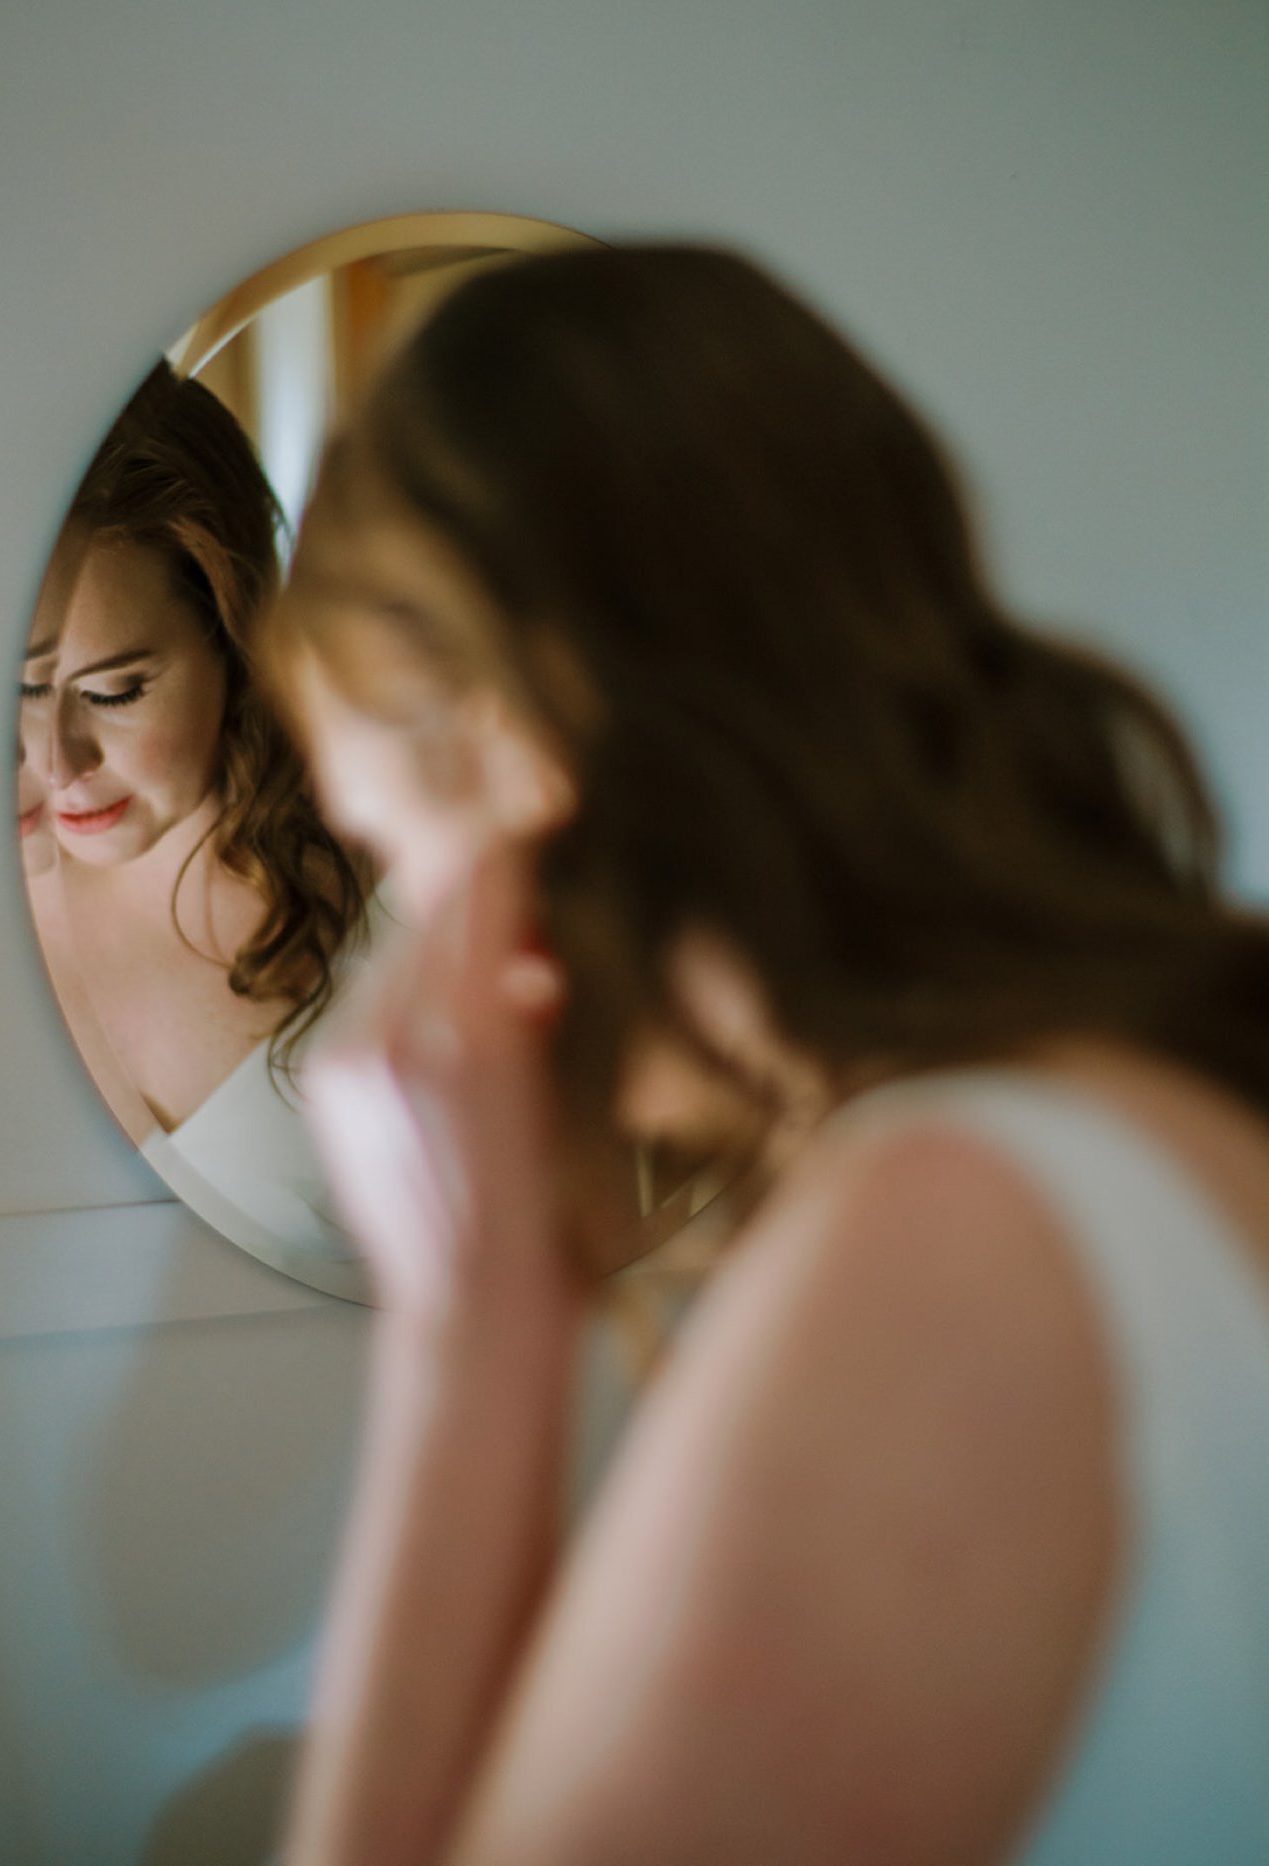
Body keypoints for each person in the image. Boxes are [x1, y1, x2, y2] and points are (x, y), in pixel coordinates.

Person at [256, 244, 1269, 1865]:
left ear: (541, 760)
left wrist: (466, 1338)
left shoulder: (948, 1235)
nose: (402, 935)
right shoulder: (1164, 1084)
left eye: (396, 852)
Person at [19, 362, 369, 1160]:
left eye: (113, 692)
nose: (58, 761)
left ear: (234, 642)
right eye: (24, 690)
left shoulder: (397, 879)